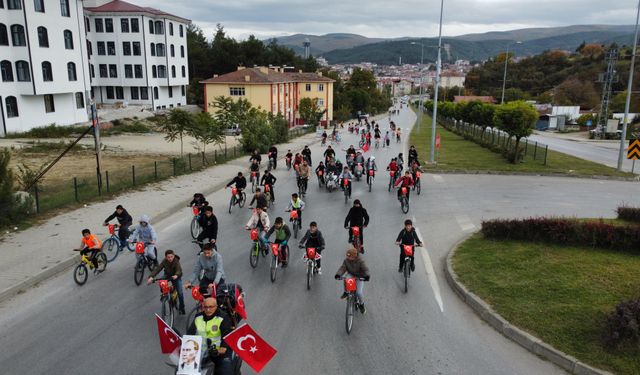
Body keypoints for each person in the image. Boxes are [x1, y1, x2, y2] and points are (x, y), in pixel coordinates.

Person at [186, 297, 233, 375]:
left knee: (226, 371)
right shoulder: (198, 317)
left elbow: (226, 336)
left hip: (218, 352)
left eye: (211, 307)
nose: (208, 310)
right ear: (203, 307)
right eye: (206, 307)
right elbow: (190, 333)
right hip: (201, 352)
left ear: (216, 306)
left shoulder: (223, 318)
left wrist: (222, 349)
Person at [148, 249, 186, 314]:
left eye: (171, 257)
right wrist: (151, 277)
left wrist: (176, 275)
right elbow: (158, 269)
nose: (170, 258)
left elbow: (179, 270)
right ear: (166, 257)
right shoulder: (164, 261)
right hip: (167, 275)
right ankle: (164, 293)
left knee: (180, 293)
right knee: (161, 281)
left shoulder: (176, 261)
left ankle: (182, 307)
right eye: (168, 257)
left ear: (174, 256)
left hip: (176, 277)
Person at [334, 247, 370, 314]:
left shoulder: (361, 261)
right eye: (347, 256)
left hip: (360, 276)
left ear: (354, 256)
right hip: (351, 274)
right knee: (346, 279)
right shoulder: (346, 261)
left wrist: (367, 276)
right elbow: (342, 268)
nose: (348, 257)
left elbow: (366, 269)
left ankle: (361, 304)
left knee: (358, 293)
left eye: (349, 256)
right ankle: (346, 292)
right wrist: (338, 274)